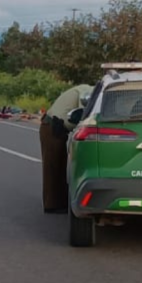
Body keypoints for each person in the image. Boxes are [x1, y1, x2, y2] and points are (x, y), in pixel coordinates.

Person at [40, 84, 94, 213]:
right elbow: (85, 116)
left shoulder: (84, 89)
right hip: (52, 126)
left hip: (55, 127)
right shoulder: (87, 92)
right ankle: (52, 205)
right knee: (52, 167)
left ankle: (60, 202)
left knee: (59, 166)